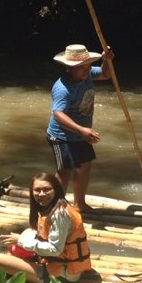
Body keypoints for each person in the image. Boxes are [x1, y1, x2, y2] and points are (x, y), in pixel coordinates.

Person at [0, 173, 92, 283]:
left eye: (47, 189)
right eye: (37, 190)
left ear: (56, 190)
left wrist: (20, 240)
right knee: (28, 232)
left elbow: (54, 249)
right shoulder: (53, 207)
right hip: (57, 264)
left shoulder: (60, 214)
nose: (42, 194)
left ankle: (42, 277)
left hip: (63, 275)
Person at [46, 43, 113, 212]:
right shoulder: (62, 89)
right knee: (65, 170)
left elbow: (106, 74)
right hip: (61, 135)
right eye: (82, 67)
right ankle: (56, 205)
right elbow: (58, 114)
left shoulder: (88, 74)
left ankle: (79, 203)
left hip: (80, 133)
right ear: (70, 68)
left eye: (88, 65)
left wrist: (106, 60)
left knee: (84, 166)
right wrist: (82, 130)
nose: (87, 69)